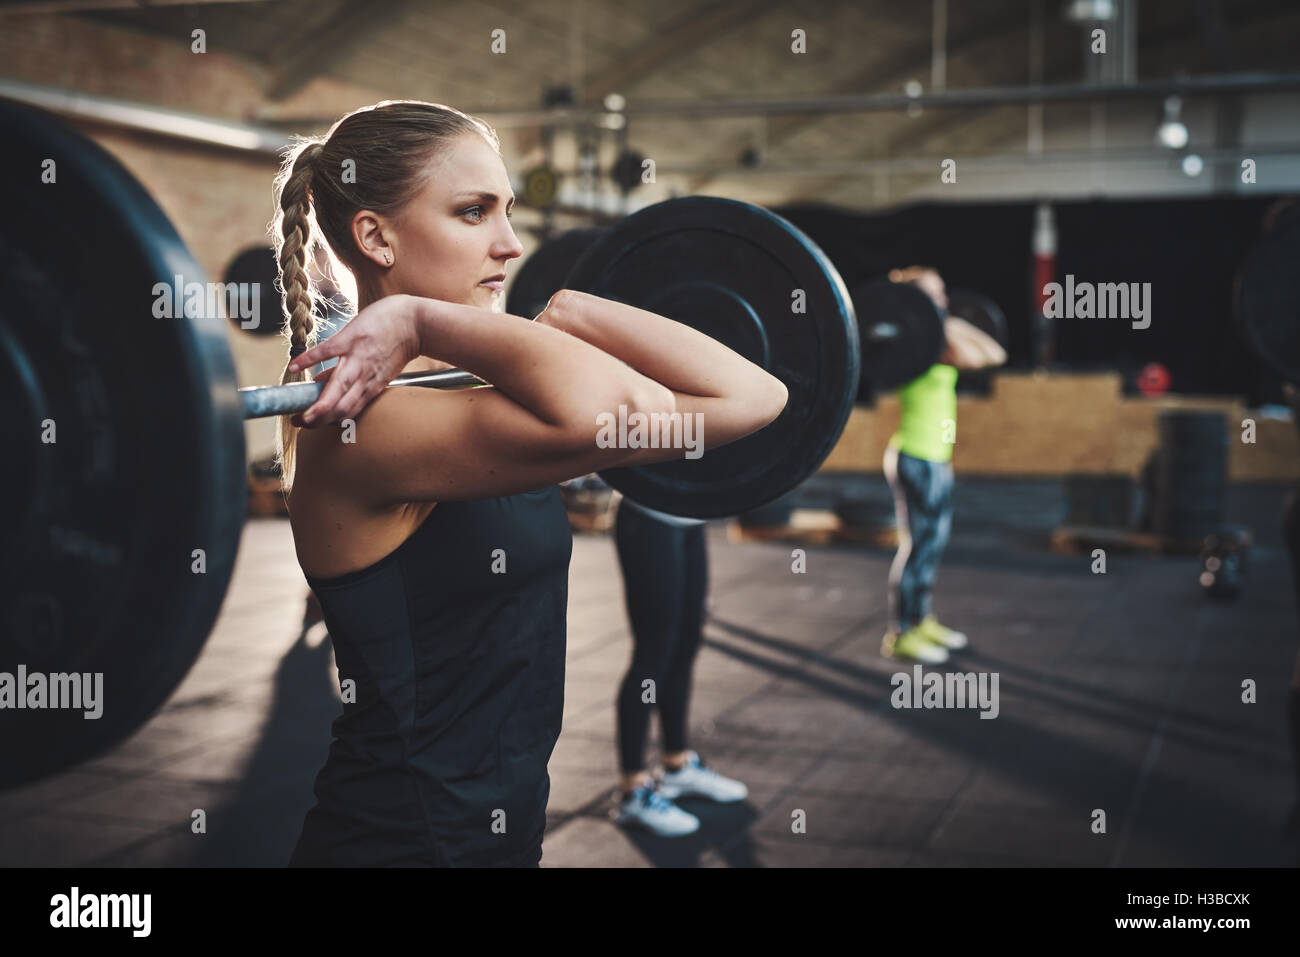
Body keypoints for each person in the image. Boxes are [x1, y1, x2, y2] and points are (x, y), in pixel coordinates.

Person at [272, 100, 787, 866]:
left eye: (508, 212)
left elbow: (756, 397)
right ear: (375, 236)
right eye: (473, 212)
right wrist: (424, 320)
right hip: (401, 845)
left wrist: (575, 310)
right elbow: (625, 406)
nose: (509, 244)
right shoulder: (367, 428)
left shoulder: (472, 404)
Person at [880, 266, 1006, 665]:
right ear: (915, 305)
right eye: (933, 296)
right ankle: (902, 633)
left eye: (942, 294)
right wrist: (935, 318)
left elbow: (996, 354)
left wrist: (940, 316)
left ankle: (921, 620)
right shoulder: (918, 345)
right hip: (916, 456)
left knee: (930, 548)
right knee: (918, 547)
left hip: (935, 456)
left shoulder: (936, 335)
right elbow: (975, 356)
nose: (943, 303)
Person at [611, 495, 748, 837]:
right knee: (653, 653)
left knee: (685, 644)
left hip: (691, 513)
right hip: (648, 515)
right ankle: (633, 790)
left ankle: (676, 765)